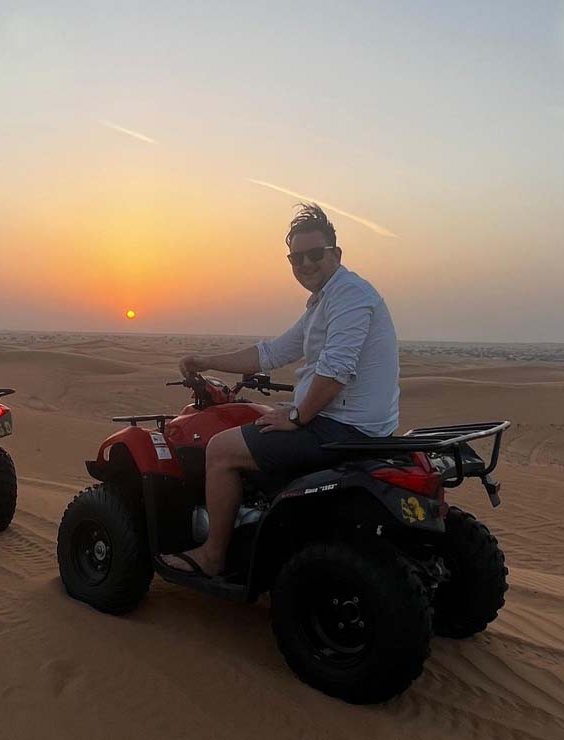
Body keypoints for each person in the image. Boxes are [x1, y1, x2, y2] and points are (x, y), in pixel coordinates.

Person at [163, 203, 400, 577]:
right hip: (353, 424)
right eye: (296, 258)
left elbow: (336, 371)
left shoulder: (349, 296)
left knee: (220, 449)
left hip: (340, 427)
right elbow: (270, 353)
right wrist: (209, 361)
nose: (305, 264)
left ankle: (212, 555)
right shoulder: (325, 301)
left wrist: (298, 415)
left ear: (335, 254)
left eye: (314, 254)